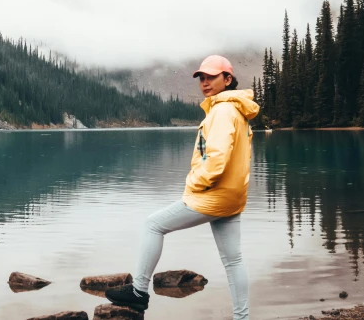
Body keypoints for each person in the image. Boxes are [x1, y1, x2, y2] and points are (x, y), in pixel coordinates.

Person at [104, 55, 259, 320]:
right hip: (233, 197)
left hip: (213, 196)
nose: (205, 82)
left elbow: (217, 159)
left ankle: (139, 292)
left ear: (228, 79)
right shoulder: (236, 110)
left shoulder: (222, 111)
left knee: (153, 225)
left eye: (211, 77)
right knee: (233, 261)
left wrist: (194, 183)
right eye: (202, 77)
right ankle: (242, 318)